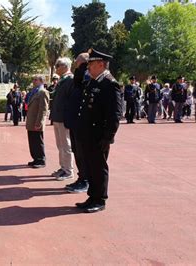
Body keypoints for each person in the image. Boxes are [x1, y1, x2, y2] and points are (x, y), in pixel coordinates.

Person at [75, 49, 122, 213]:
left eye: (91, 65)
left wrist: (108, 137)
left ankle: (100, 199)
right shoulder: (94, 81)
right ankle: (92, 196)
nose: (88, 68)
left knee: (98, 167)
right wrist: (80, 68)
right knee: (90, 166)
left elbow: (115, 114)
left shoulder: (110, 84)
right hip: (88, 134)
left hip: (98, 135)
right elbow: (78, 84)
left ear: (101, 64)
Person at [64, 52, 90, 193]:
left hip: (81, 122)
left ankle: (85, 180)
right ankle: (82, 178)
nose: (75, 64)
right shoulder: (79, 77)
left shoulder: (86, 75)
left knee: (82, 153)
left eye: (77, 62)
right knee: (77, 151)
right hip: (74, 121)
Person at [50, 57, 74, 181]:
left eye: (58, 65)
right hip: (58, 117)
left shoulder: (70, 79)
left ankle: (68, 170)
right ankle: (63, 167)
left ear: (65, 66)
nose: (56, 67)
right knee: (60, 145)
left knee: (66, 145)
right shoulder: (62, 80)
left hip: (64, 117)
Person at [25, 75, 50, 168]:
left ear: (41, 81)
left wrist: (39, 122)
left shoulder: (43, 92)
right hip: (31, 121)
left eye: (36, 80)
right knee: (32, 141)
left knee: (38, 141)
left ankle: (41, 160)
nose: (33, 81)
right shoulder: (34, 91)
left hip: (37, 121)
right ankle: (36, 158)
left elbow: (43, 109)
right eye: (33, 79)